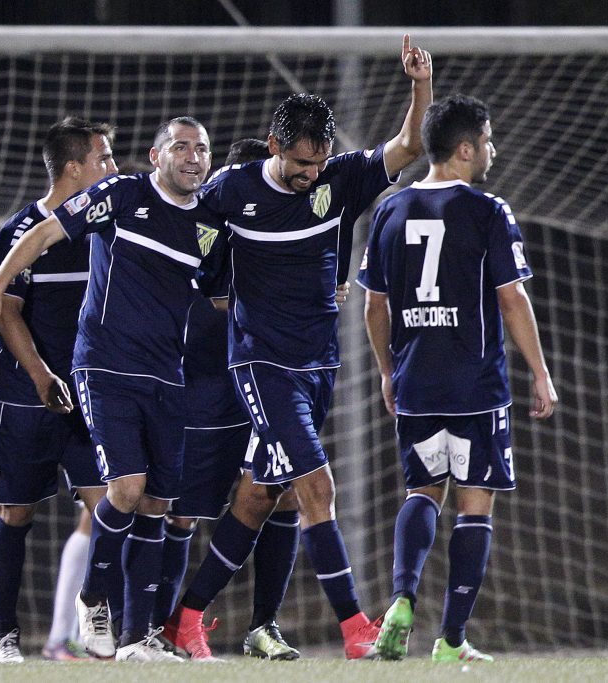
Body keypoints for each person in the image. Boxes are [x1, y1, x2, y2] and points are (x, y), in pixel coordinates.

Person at [163, 35, 433, 661]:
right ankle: (356, 629)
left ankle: (187, 618)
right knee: (318, 489)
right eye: (300, 162)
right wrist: (231, 294)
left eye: (320, 162)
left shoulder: (339, 182)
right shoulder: (230, 191)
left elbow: (409, 145)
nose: (311, 173)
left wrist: (419, 85)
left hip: (319, 364)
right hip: (262, 364)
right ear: (275, 144)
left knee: (262, 495)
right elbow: (201, 265)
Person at [0, 116, 226, 662]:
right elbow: (44, 232)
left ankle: (138, 639)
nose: (192, 156)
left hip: (166, 374)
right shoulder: (121, 194)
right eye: (179, 146)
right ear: (156, 157)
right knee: (125, 490)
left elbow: (222, 297)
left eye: (201, 148)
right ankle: (87, 601)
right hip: (103, 368)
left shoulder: (210, 223)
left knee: (157, 502)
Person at [358, 93, 557, 663]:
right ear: (465, 149)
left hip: (417, 380)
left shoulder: (389, 210)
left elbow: (375, 308)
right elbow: (512, 298)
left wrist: (387, 372)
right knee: (474, 505)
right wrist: (540, 374)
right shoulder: (488, 210)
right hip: (476, 384)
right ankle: (450, 640)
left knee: (422, 491)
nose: (493, 150)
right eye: (488, 140)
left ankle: (400, 598)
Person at [152, 137, 302, 662]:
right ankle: (160, 629)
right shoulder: (203, 228)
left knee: (284, 494)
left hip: (264, 387)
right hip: (207, 387)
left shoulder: (280, 235)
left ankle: (263, 626)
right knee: (184, 513)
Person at [0, 117, 117, 663]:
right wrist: (42, 376)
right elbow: (9, 313)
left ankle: (106, 628)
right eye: (103, 159)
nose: (111, 169)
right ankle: (5, 637)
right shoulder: (21, 232)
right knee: (14, 514)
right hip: (29, 397)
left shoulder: (106, 227)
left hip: (89, 399)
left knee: (112, 508)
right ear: (73, 168)